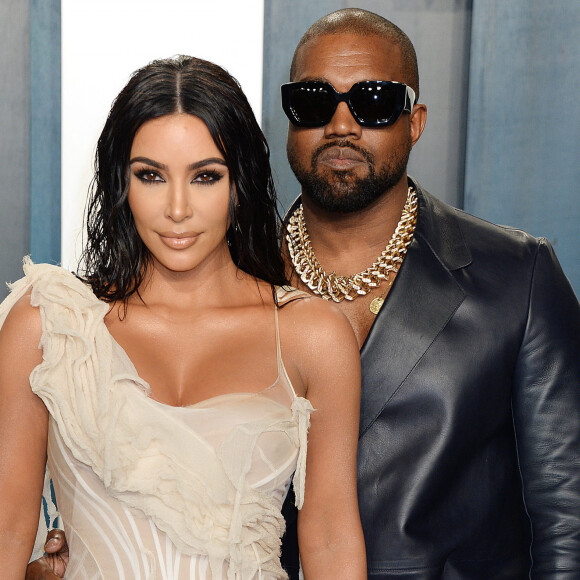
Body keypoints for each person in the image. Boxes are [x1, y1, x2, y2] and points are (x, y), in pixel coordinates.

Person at [28, 7, 580, 580]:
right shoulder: (217, 266)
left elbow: (567, 511)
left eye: (373, 100)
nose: (341, 125)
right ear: (287, 119)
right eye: (314, 102)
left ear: (415, 121)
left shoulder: (519, 276)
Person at [1, 55, 366, 579]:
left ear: (238, 184)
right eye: (150, 175)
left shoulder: (313, 336)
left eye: (205, 177)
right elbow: (8, 529)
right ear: (121, 185)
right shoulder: (49, 325)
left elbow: (331, 539)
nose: (177, 208)